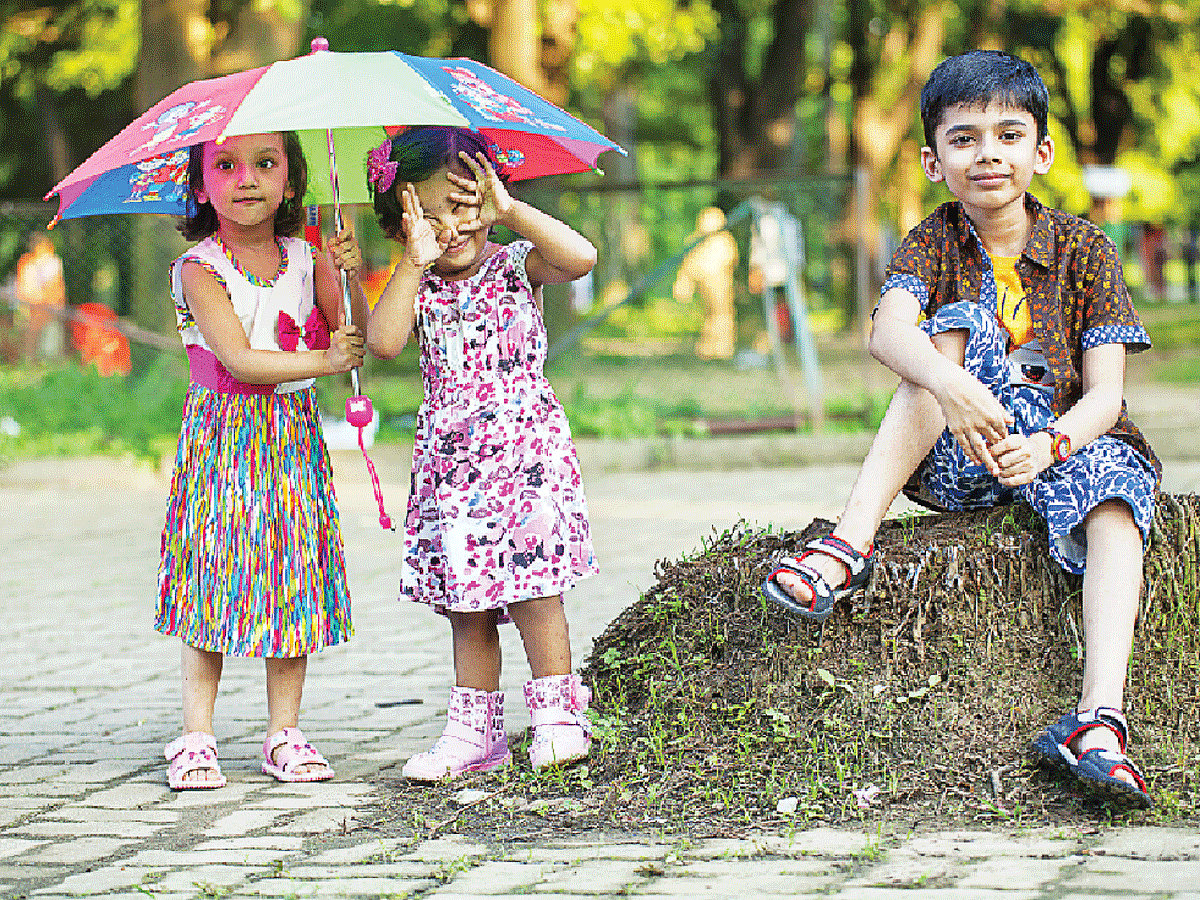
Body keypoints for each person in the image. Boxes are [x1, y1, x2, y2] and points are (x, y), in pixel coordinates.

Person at [760, 51, 1158, 809]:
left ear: (1040, 152)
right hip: (957, 455)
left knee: (1118, 498)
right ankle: (848, 546)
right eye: (965, 138)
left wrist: (1050, 444)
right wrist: (954, 385)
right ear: (933, 159)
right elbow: (886, 332)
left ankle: (1099, 721)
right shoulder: (933, 241)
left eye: (1009, 135)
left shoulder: (1086, 251)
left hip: (1060, 451)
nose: (988, 155)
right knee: (945, 333)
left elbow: (1106, 396)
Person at [365, 127, 599, 780]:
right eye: (429, 216)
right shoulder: (419, 285)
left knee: (535, 592)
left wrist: (512, 212)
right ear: (400, 225)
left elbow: (581, 258)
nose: (451, 228)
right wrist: (411, 263)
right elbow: (383, 342)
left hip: (525, 457)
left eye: (463, 206)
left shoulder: (516, 263)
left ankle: (557, 713)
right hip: (453, 468)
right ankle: (475, 731)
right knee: (467, 607)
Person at [156, 131, 368, 790]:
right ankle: (196, 735)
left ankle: (285, 731)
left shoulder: (310, 258)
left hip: (293, 438)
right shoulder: (199, 268)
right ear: (200, 186)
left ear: (290, 180)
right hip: (224, 435)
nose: (247, 179)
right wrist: (326, 361)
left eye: (265, 164)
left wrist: (347, 274)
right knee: (214, 572)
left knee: (290, 572)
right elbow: (241, 359)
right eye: (226, 166)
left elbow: (350, 330)